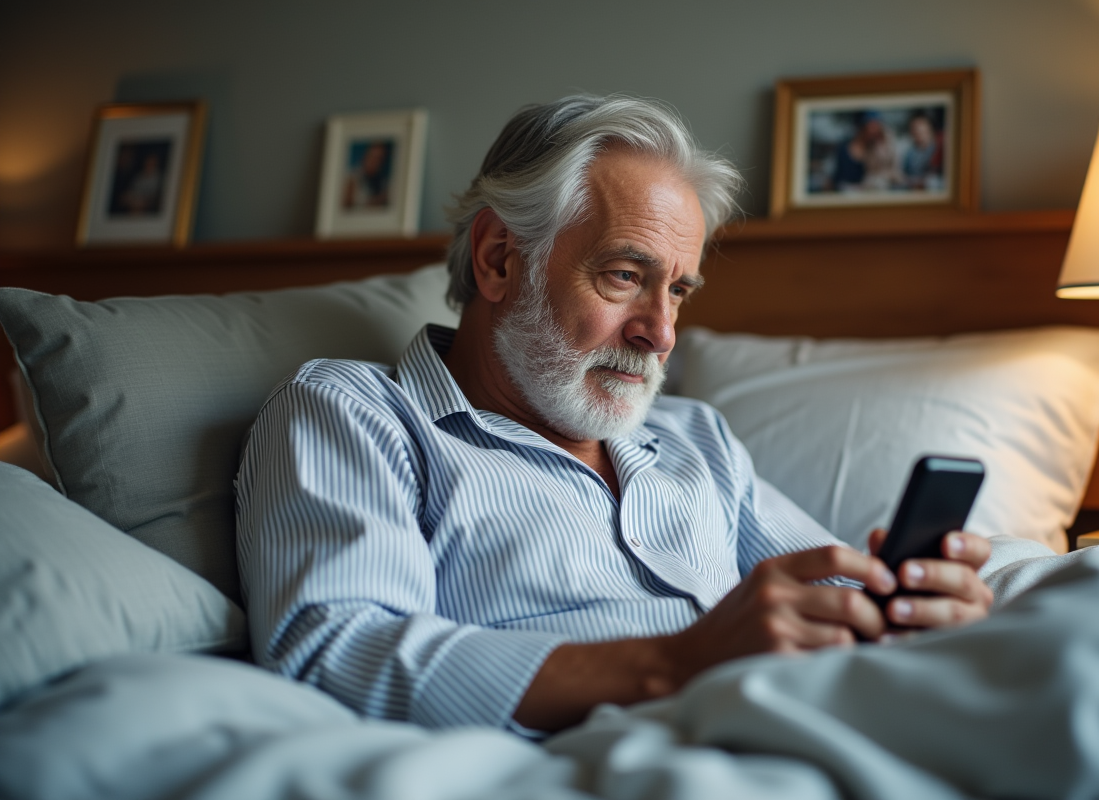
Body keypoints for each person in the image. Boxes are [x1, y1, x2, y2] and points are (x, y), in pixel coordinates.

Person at [235, 95, 993, 736]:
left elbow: (833, 596)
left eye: (679, 292)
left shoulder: (698, 439)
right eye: (625, 276)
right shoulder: (355, 414)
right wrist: (674, 662)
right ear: (500, 257)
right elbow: (336, 652)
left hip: (789, 720)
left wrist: (912, 606)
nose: (660, 333)